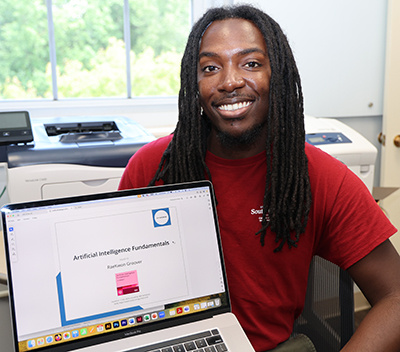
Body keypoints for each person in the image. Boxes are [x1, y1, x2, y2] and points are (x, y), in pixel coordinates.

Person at [119, 5, 400, 352]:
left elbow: (396, 296)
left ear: (277, 75)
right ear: (195, 84)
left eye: (251, 63)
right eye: (210, 68)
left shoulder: (321, 177)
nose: (230, 81)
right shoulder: (152, 167)